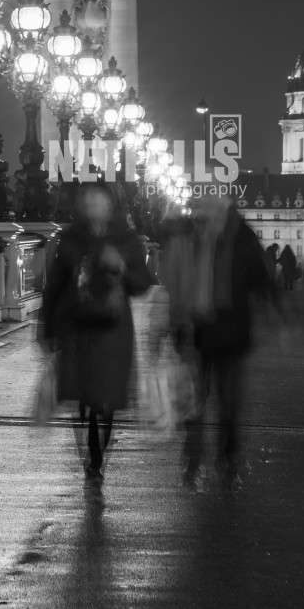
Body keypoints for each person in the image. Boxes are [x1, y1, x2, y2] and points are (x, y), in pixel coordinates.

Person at [42, 183, 152, 482]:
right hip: (77, 326)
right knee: (85, 395)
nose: (92, 205)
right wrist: (47, 329)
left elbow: (143, 283)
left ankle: (99, 446)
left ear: (109, 205)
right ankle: (93, 452)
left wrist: (121, 267)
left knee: (106, 397)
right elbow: (55, 286)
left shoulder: (126, 240)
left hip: (113, 328)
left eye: (97, 200)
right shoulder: (68, 239)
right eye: (87, 201)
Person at [165, 195, 273, 491]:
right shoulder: (190, 238)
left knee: (229, 401)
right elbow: (174, 280)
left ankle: (226, 456)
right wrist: (175, 320)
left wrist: (278, 312)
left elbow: (261, 278)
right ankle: (196, 456)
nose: (208, 213)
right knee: (197, 400)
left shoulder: (241, 238)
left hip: (231, 329)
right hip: (198, 328)